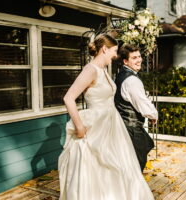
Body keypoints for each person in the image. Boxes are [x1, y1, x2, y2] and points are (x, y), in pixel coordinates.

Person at [58, 34, 154, 200]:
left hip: (112, 125)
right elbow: (68, 98)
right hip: (97, 126)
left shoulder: (103, 70)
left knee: (119, 168)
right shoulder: (90, 70)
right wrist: (79, 126)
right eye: (114, 51)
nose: (115, 55)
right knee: (98, 169)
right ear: (104, 49)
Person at [114, 44, 158, 172]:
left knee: (139, 153)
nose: (139, 60)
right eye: (134, 58)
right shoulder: (132, 80)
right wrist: (153, 115)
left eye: (139, 56)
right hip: (131, 129)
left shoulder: (121, 75)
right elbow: (142, 104)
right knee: (136, 165)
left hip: (124, 127)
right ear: (125, 61)